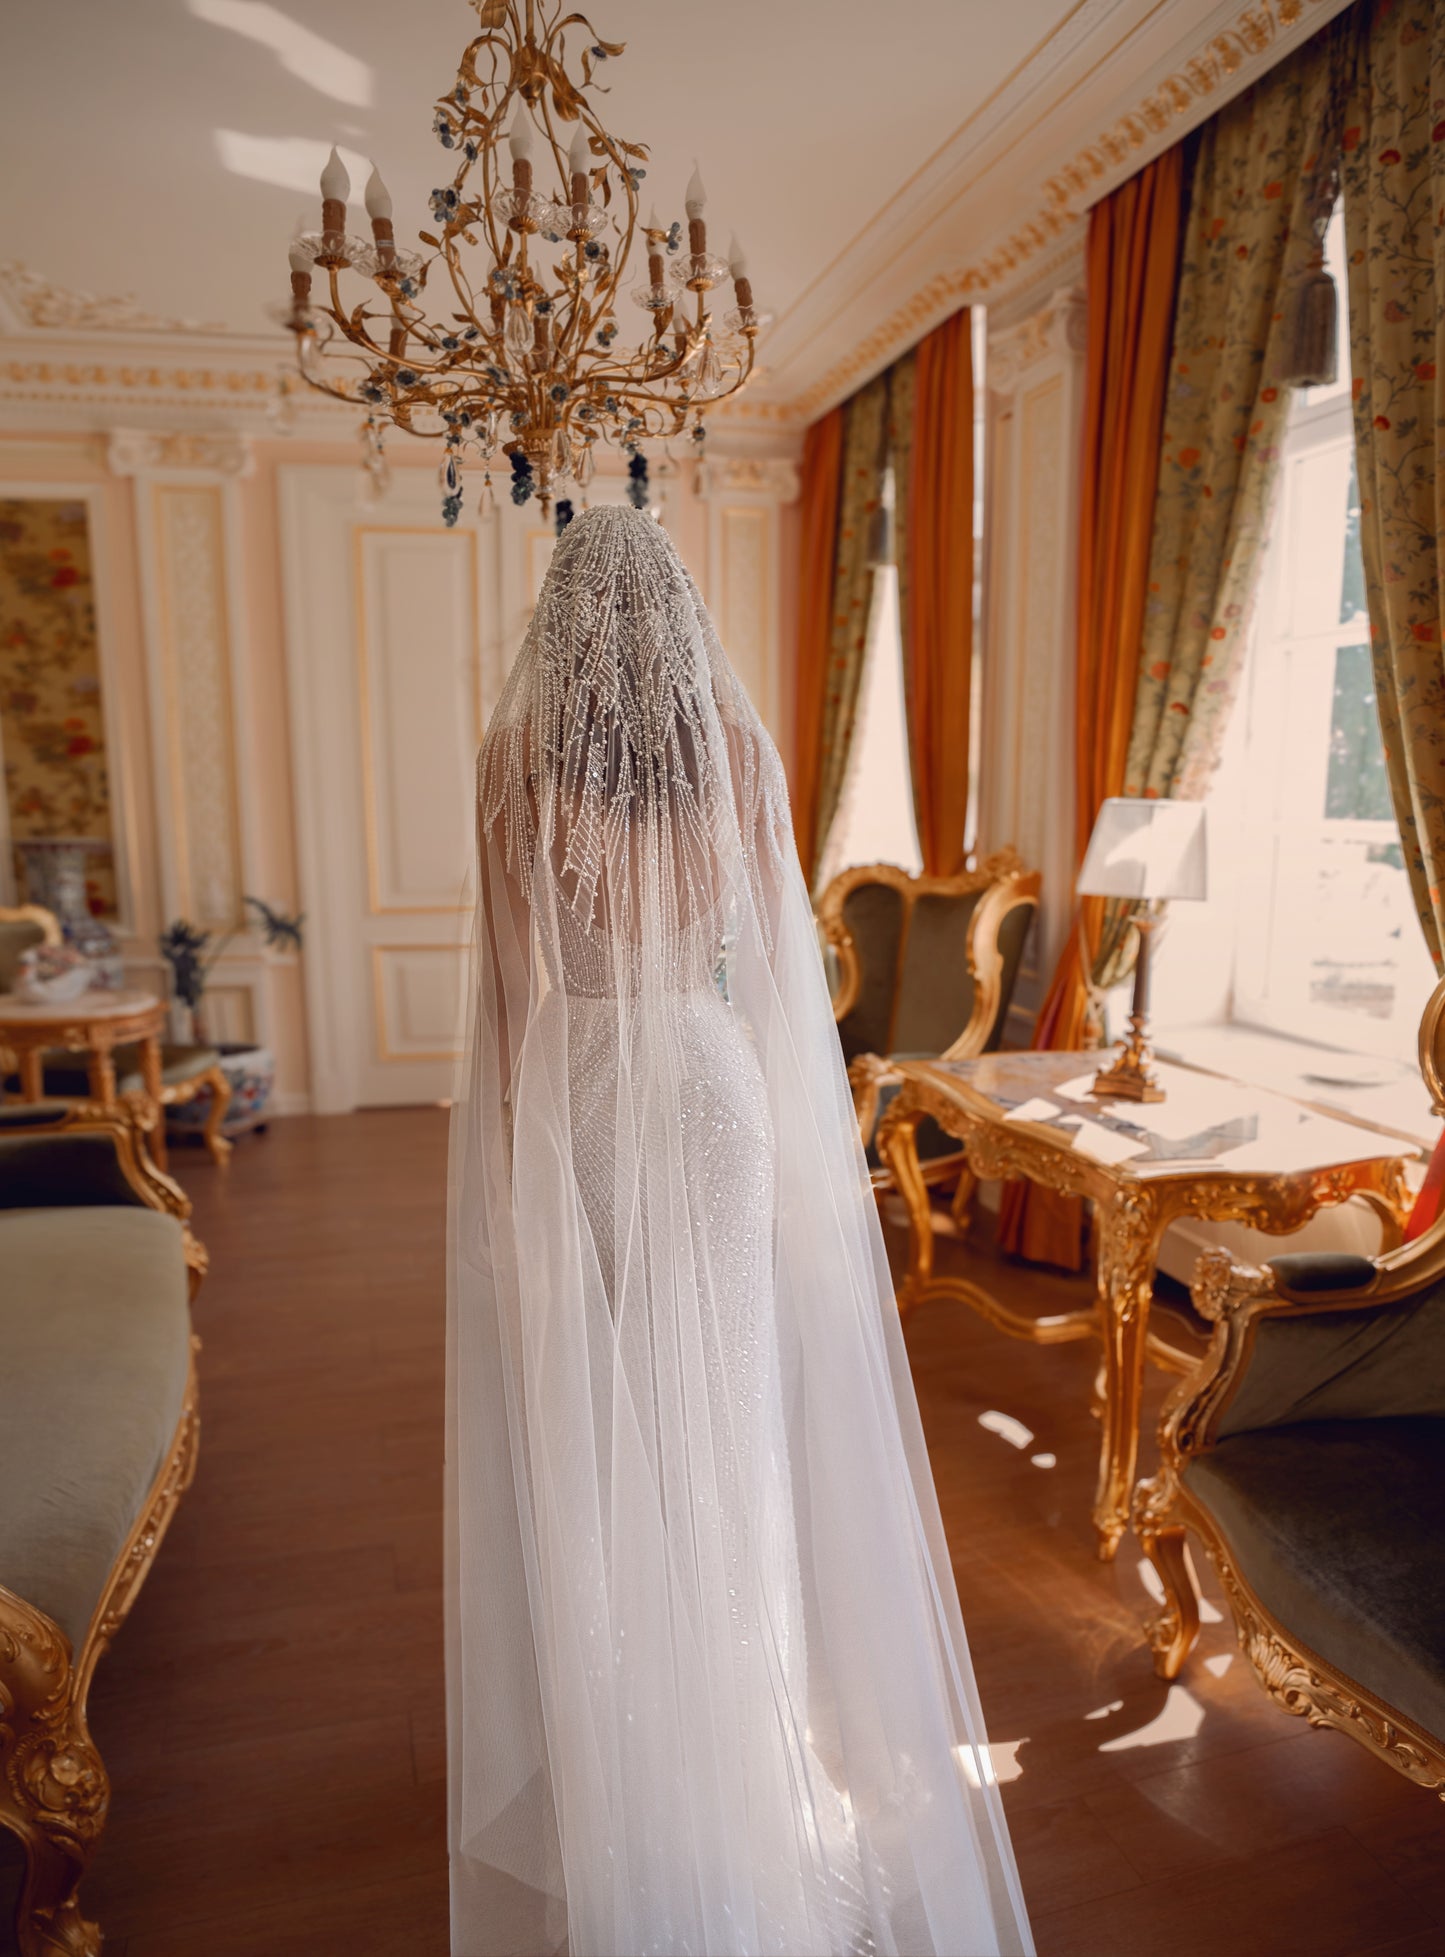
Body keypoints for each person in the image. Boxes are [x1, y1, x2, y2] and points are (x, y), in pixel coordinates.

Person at [446, 502, 1033, 1957]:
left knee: (614, 1413)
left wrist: (508, 1195)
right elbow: (779, 980)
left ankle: (639, 1741)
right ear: (683, 621)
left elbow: (513, 1001)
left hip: (585, 1087)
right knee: (729, 1409)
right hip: (717, 1091)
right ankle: (745, 1737)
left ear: (561, 629)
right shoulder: (743, 754)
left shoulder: (515, 762)